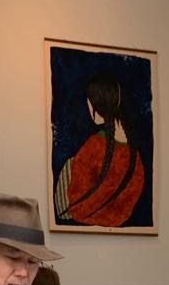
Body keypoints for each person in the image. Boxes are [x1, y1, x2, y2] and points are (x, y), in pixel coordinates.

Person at [54, 74, 144, 228]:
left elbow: (77, 190)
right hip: (118, 218)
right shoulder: (135, 154)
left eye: (89, 105)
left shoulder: (95, 145)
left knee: (71, 163)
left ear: (97, 106)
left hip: (82, 214)